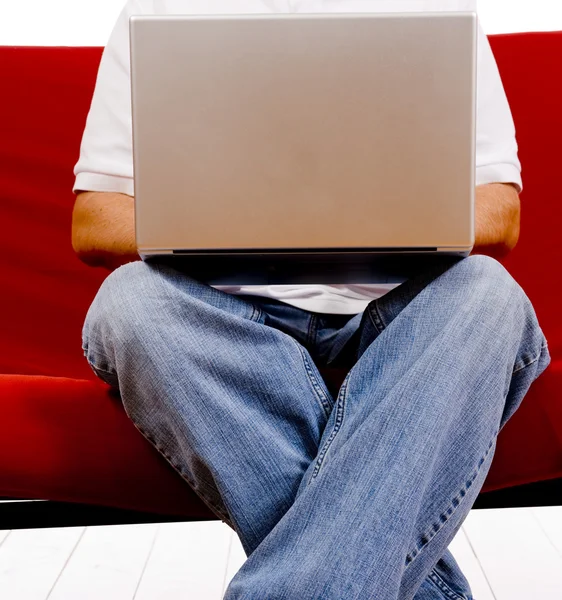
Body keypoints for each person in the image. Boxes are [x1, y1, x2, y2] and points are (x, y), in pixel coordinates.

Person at [71, 1, 551, 598]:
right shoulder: (159, 14)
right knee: (131, 305)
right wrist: (261, 223)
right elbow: (94, 223)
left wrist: (356, 220)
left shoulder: (434, 10)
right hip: (221, 314)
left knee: (487, 296)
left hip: (402, 310)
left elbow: (499, 213)